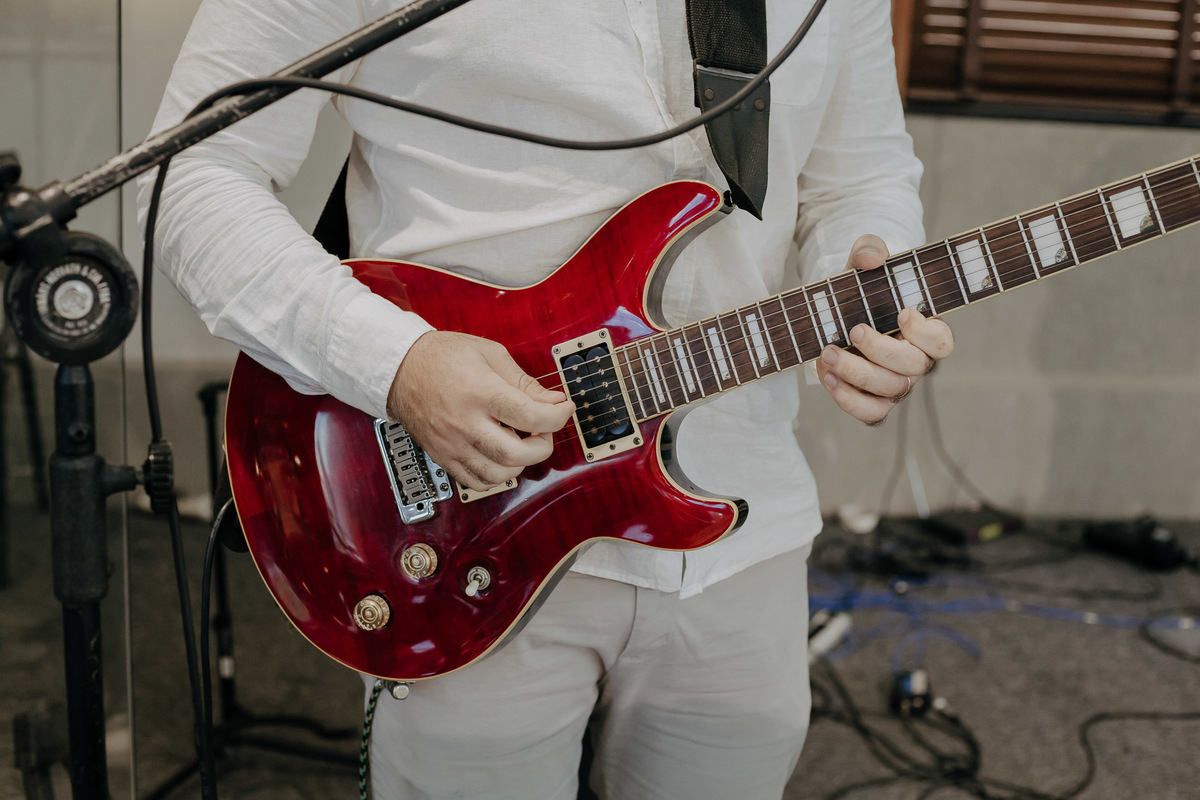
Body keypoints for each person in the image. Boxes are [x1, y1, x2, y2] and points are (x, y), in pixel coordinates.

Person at [140, 0, 953, 797]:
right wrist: (396, 363)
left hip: (744, 512)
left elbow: (861, 177)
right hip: (460, 513)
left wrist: (864, 295)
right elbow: (191, 179)